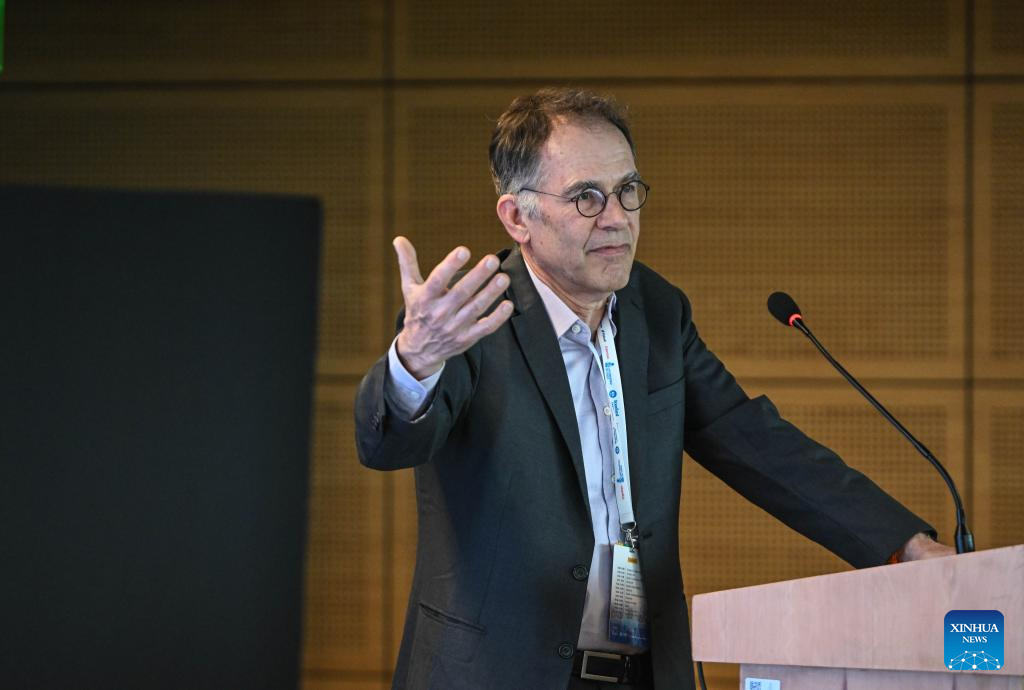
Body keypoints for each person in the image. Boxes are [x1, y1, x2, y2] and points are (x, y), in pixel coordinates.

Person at [354, 87, 954, 690]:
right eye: (586, 197)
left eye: (627, 190)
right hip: (498, 669)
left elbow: (754, 441)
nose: (616, 217)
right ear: (517, 218)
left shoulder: (657, 311)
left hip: (639, 666)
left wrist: (901, 543)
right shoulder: (468, 322)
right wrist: (414, 361)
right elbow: (387, 444)